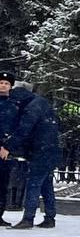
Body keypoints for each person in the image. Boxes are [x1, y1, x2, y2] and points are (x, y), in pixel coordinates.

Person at [1, 80, 61, 229]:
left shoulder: (30, 107)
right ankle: (50, 217)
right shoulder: (41, 103)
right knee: (46, 184)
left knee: (33, 183)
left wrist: (8, 147)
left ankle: (28, 218)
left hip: (39, 150)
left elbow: (24, 129)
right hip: (50, 149)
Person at [0, 70, 16, 226]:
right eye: (0, 83)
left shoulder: (13, 104)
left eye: (6, 83)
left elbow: (14, 128)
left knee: (3, 183)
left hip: (6, 150)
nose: (3, 86)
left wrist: (7, 146)